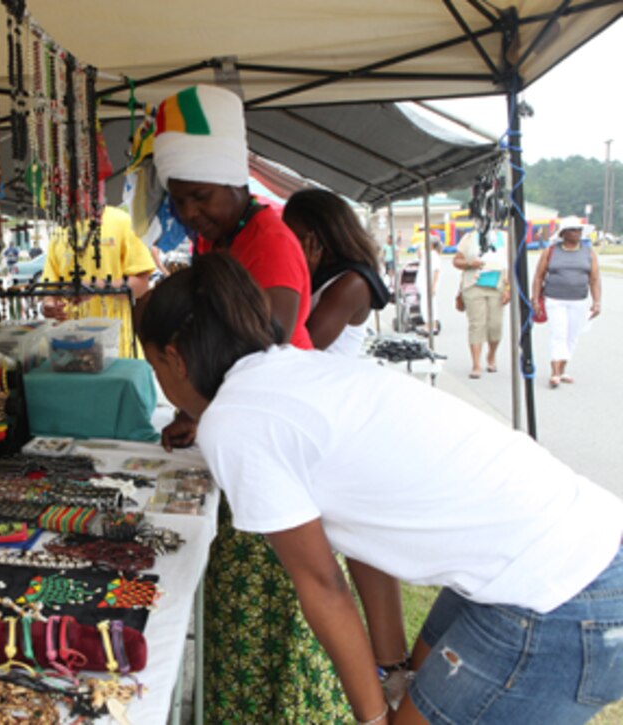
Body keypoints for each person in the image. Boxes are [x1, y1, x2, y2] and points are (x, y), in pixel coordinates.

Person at [141, 252, 623, 725]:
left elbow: (322, 586)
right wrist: (390, 672)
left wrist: (372, 719)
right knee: (412, 686)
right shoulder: (293, 370)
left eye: (155, 369)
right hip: (572, 546)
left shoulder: (233, 420)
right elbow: (361, 528)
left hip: (559, 590)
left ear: (176, 359)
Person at [152, 85, 349, 723]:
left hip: (271, 441)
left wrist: (203, 408)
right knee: (248, 608)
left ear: (235, 183)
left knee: (286, 598)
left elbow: (253, 344)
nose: (187, 212)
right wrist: (194, 413)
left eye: (199, 197)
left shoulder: (268, 240)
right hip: (247, 433)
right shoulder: (220, 239)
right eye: (178, 199)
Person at [282, 189, 389, 355]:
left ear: (319, 239)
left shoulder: (352, 284)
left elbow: (305, 347)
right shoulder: (324, 273)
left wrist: (304, 276)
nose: (289, 245)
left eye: (297, 238)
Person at [42, 205, 155, 357]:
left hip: (117, 349)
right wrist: (48, 306)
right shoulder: (59, 232)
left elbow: (141, 285)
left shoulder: (122, 221)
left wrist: (96, 287)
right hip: (69, 350)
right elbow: (50, 291)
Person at [532, 216, 602, 388]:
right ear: (563, 233)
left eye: (578, 230)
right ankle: (554, 372)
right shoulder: (551, 251)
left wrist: (597, 302)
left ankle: (562, 369)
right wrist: (535, 299)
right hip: (555, 299)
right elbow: (538, 276)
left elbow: (594, 279)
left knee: (572, 336)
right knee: (559, 334)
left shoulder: (588, 253)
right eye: (572, 230)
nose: (576, 233)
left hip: (578, 300)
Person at [454, 228, 509, 378]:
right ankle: (476, 364)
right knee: (477, 324)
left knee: (495, 325)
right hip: (474, 285)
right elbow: (457, 260)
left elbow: (513, 264)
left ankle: (491, 355)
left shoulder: (504, 237)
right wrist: (470, 263)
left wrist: (509, 288)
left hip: (497, 285)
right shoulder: (470, 237)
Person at [415, 238, 441, 333]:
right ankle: (429, 325)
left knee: (428, 305)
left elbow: (436, 271)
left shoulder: (434, 256)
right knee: (426, 304)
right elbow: (420, 257)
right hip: (423, 284)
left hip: (429, 284)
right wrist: (418, 248)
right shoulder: (427, 254)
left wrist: (433, 286)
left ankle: (430, 325)